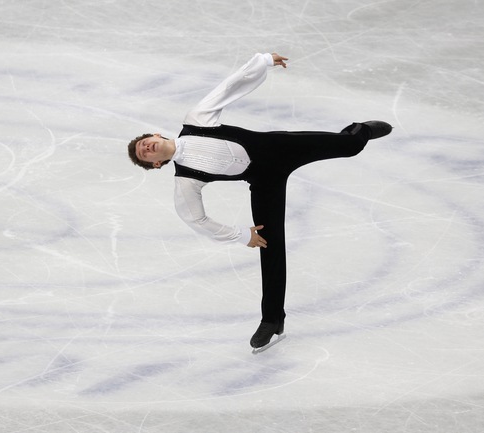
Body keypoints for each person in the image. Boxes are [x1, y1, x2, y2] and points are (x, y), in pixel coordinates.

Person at [126, 51, 392, 350]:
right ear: (156, 165)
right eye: (144, 154)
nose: (146, 148)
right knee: (270, 246)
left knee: (350, 146)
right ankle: (272, 320)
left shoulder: (196, 121)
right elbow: (193, 218)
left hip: (281, 146)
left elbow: (228, 88)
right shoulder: (186, 180)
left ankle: (362, 130)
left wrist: (262, 62)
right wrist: (241, 235)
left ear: (156, 134)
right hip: (265, 182)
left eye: (144, 142)